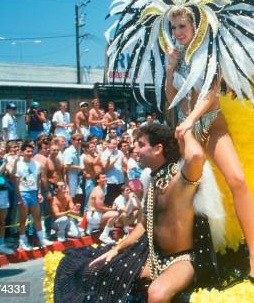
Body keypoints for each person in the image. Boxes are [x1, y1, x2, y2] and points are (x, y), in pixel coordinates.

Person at [166, 6, 254, 282]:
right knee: (192, 194)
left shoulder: (210, 53)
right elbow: (170, 99)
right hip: (188, 130)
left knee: (237, 179)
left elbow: (210, 94)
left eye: (182, 26)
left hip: (212, 122)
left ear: (195, 26)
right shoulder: (176, 56)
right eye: (174, 28)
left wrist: (191, 119)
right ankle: (193, 253)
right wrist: (170, 68)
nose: (178, 33)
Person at [56, 123, 206, 302]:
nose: (135, 149)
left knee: (157, 294)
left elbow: (196, 155)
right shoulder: (153, 181)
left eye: (141, 145)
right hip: (153, 254)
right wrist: (117, 249)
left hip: (181, 259)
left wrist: (185, 129)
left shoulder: (179, 180)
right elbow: (145, 224)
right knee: (92, 269)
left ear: (158, 149)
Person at [11, 142, 53, 250]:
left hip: (33, 192)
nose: (29, 153)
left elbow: (38, 180)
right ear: (22, 152)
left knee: (37, 217)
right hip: (23, 193)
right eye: (27, 151)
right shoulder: (18, 164)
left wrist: (39, 192)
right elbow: (15, 182)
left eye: (31, 151)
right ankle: (22, 241)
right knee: (23, 219)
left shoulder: (36, 164)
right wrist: (19, 197)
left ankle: (41, 238)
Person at [100, 138, 126, 206]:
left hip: (120, 181)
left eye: (116, 144)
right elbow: (105, 168)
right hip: (110, 182)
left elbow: (124, 161)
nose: (115, 146)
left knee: (120, 201)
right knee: (109, 202)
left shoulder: (119, 152)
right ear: (108, 144)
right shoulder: (104, 154)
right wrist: (114, 160)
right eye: (113, 144)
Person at [62, 133, 83, 200]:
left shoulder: (78, 149)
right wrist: (79, 167)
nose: (80, 141)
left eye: (81, 139)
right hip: (70, 176)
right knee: (71, 196)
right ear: (72, 141)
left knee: (77, 195)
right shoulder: (69, 151)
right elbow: (66, 166)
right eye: (78, 140)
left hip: (76, 175)